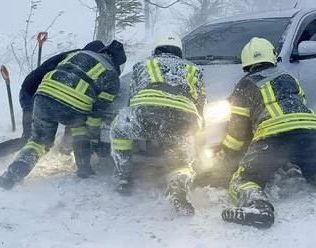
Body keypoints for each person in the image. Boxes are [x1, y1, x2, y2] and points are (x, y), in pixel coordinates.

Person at [0, 40, 127, 190]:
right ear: (118, 64)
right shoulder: (112, 77)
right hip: (74, 107)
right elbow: (95, 114)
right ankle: (84, 169)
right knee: (80, 131)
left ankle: (11, 175)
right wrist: (94, 139)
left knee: (38, 142)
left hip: (42, 97)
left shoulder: (78, 54)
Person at [216, 37, 316, 228]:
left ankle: (259, 207)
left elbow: (237, 134)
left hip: (273, 136)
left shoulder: (244, 86)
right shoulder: (289, 78)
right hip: (310, 131)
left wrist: (225, 157)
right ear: (271, 56)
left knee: (243, 180)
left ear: (246, 63)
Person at [110, 33, 206, 215]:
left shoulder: (143, 64)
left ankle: (124, 177)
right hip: (183, 117)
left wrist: (138, 121)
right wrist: (196, 129)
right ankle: (179, 187)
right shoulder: (195, 69)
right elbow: (201, 102)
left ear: (156, 49)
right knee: (182, 159)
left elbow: (133, 97)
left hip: (147, 112)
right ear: (179, 51)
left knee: (120, 130)